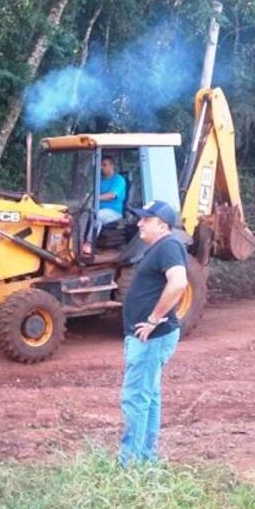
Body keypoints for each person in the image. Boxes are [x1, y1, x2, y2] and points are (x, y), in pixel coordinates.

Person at [118, 200, 188, 466]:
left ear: (161, 224)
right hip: (148, 337)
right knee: (148, 397)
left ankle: (130, 465)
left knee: (136, 397)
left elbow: (179, 282)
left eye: (145, 220)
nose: (139, 224)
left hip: (151, 337)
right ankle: (146, 460)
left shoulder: (169, 246)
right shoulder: (157, 248)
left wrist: (153, 319)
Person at [97, 155, 127, 225]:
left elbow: (112, 195)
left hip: (114, 212)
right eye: (100, 165)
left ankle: (90, 236)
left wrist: (95, 198)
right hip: (99, 209)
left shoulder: (119, 180)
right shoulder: (100, 180)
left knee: (96, 216)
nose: (101, 168)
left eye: (104, 165)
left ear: (111, 165)